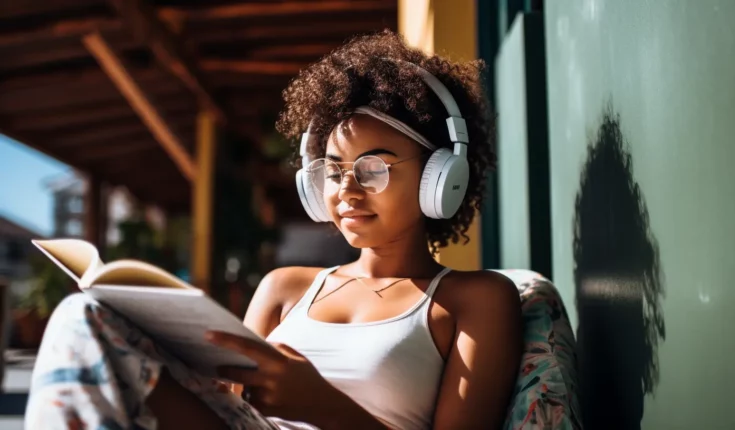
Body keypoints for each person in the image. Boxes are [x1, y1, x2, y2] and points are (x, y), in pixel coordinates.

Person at [25, 30, 522, 430]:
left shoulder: (475, 299)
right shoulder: (285, 287)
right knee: (85, 314)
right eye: (332, 170)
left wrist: (323, 406)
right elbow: (228, 407)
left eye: (373, 169)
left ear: (442, 178)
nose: (347, 189)